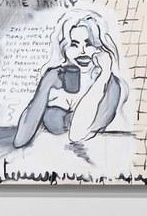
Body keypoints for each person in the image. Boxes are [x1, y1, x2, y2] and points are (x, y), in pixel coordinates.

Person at [13, 10, 127, 148]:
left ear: (101, 48)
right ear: (64, 49)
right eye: (74, 44)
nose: (82, 51)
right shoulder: (55, 76)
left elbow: (76, 134)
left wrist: (103, 76)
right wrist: (46, 86)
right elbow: (20, 139)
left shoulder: (111, 84)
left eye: (89, 44)